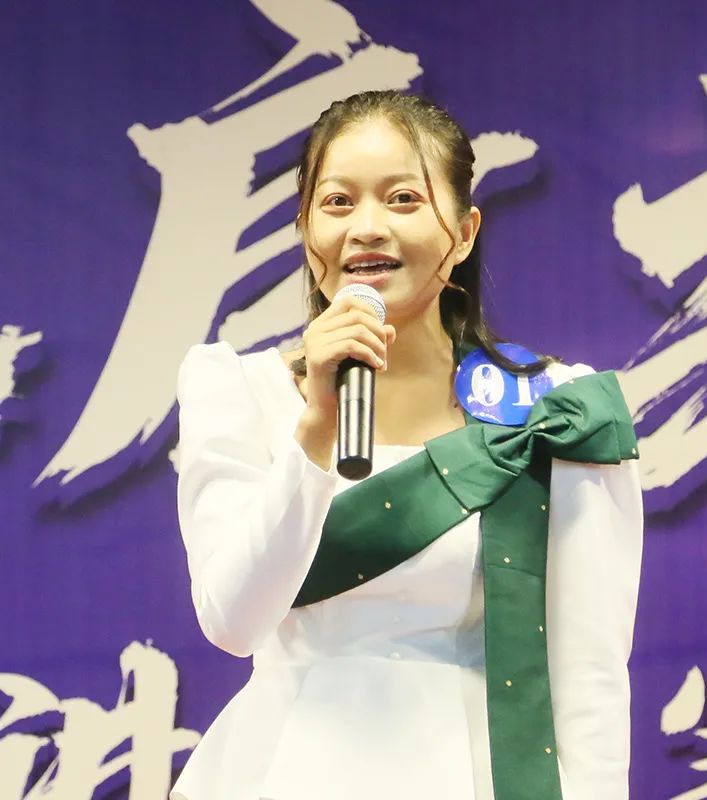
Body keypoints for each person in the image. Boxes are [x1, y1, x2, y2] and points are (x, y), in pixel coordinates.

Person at [170, 91, 644, 800]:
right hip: (283, 769)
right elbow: (234, 622)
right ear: (305, 228)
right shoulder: (238, 390)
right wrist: (316, 428)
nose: (367, 228)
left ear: (464, 232)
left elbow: (589, 671)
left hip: (468, 771)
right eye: (337, 202)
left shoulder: (550, 405)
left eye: (402, 199)